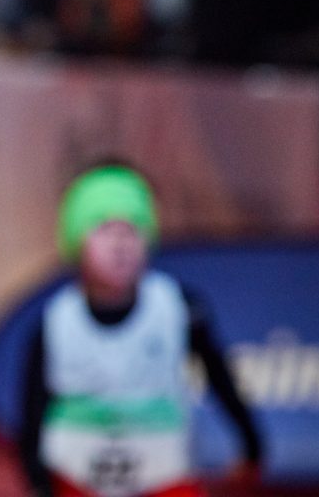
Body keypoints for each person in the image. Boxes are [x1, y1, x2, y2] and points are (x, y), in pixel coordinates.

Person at [19, 163, 262, 497]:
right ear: (76, 241)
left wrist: (251, 445)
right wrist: (37, 481)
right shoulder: (55, 321)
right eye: (104, 229)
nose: (120, 244)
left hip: (163, 475)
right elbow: (33, 412)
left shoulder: (179, 308)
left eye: (132, 229)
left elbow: (219, 377)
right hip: (76, 476)